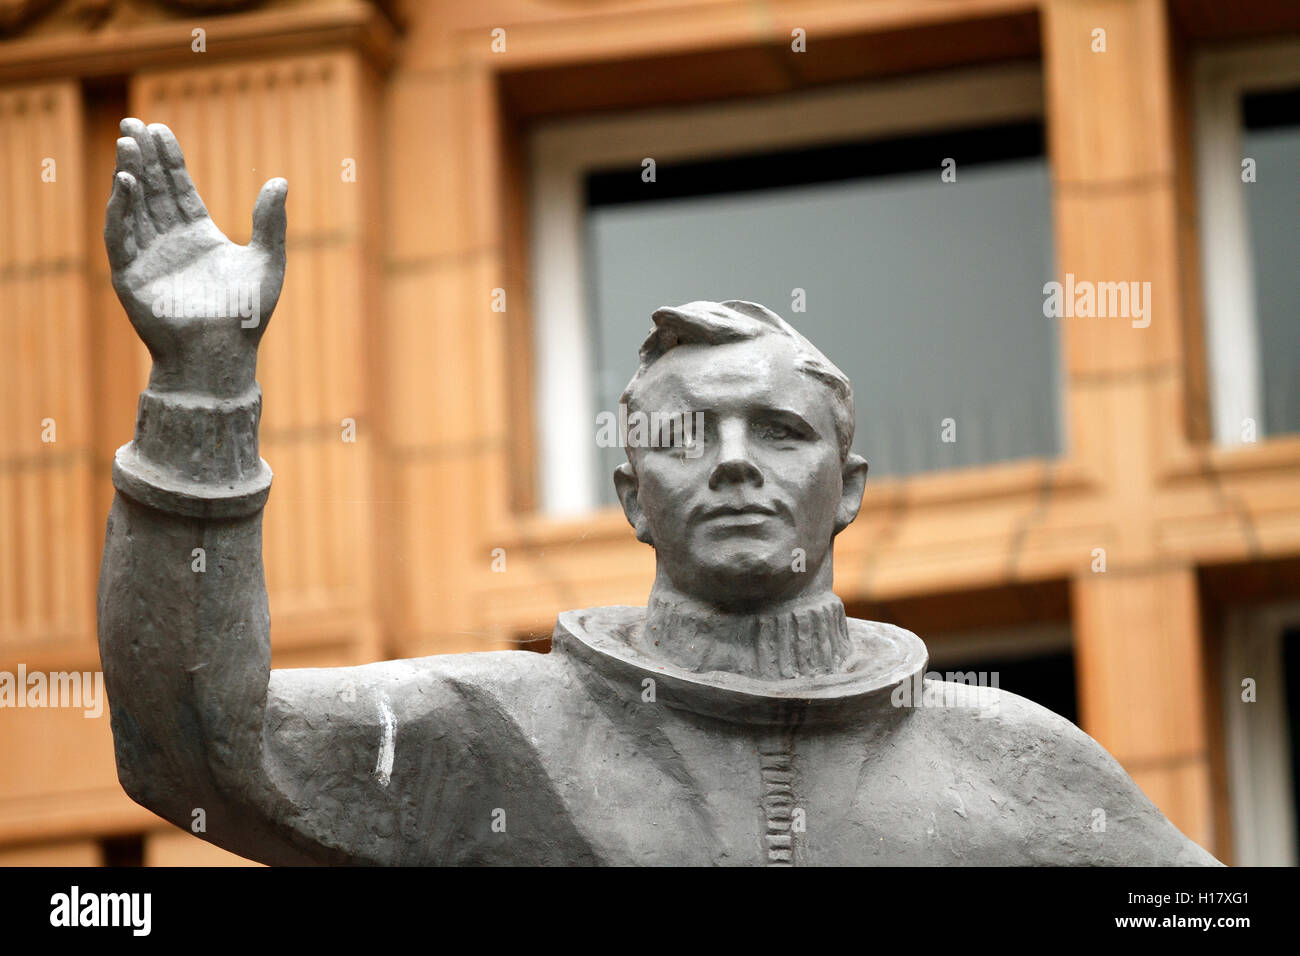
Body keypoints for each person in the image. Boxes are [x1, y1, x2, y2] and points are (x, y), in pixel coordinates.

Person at [98, 118, 1220, 865]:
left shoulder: (1009, 761)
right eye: (690, 434)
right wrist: (202, 385)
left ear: (849, 489)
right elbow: (193, 747)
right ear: (632, 499)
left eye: (780, 430)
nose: (734, 460)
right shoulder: (496, 729)